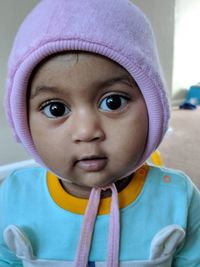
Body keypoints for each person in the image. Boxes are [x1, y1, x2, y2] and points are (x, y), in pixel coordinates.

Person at [0, 0, 200, 266]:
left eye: (113, 102)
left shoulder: (179, 198)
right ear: (23, 122)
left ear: (155, 107)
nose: (86, 132)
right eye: (56, 108)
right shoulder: (12, 197)